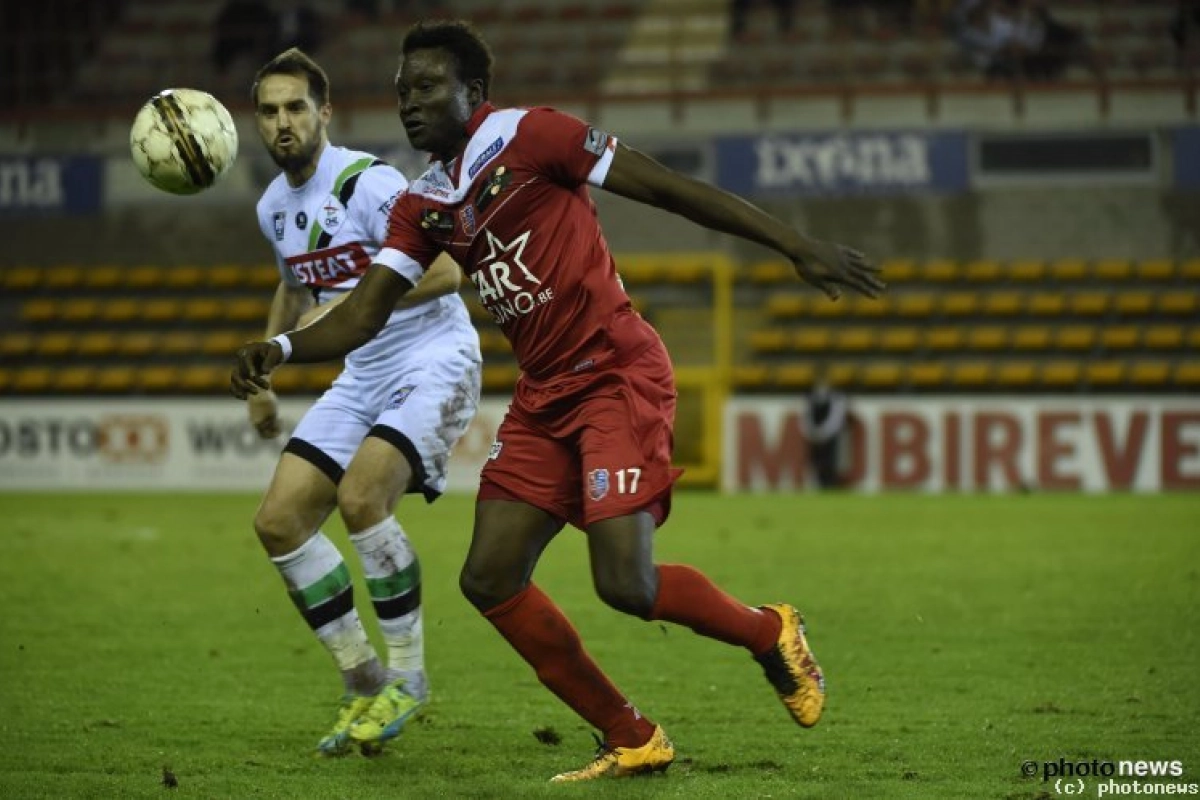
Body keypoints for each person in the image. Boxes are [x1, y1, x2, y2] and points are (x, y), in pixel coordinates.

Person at [231, 21, 883, 780]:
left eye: (428, 86)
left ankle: (768, 631)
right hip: (545, 396)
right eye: (403, 89)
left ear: (473, 92)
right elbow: (362, 312)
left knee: (626, 586)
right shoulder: (424, 202)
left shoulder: (533, 137)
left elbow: (670, 189)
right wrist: (276, 349)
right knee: (489, 578)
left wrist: (794, 243)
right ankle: (631, 734)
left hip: (613, 372)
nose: (410, 102)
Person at [244, 47, 481, 757]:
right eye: (268, 111)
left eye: (295, 107)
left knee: (361, 499)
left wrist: (357, 301)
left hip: (433, 358)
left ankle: (408, 678)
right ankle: (362, 679)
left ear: (324, 112)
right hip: (363, 369)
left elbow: (447, 268)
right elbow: (295, 285)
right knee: (279, 521)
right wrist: (267, 371)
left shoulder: (367, 184)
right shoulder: (273, 208)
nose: (282, 122)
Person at [805, 378, 848, 489]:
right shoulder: (811, 398)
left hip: (829, 436)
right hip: (816, 436)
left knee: (830, 461)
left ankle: (830, 483)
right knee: (817, 461)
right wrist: (813, 431)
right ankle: (819, 482)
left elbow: (835, 417)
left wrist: (824, 431)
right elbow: (807, 417)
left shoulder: (834, 398)